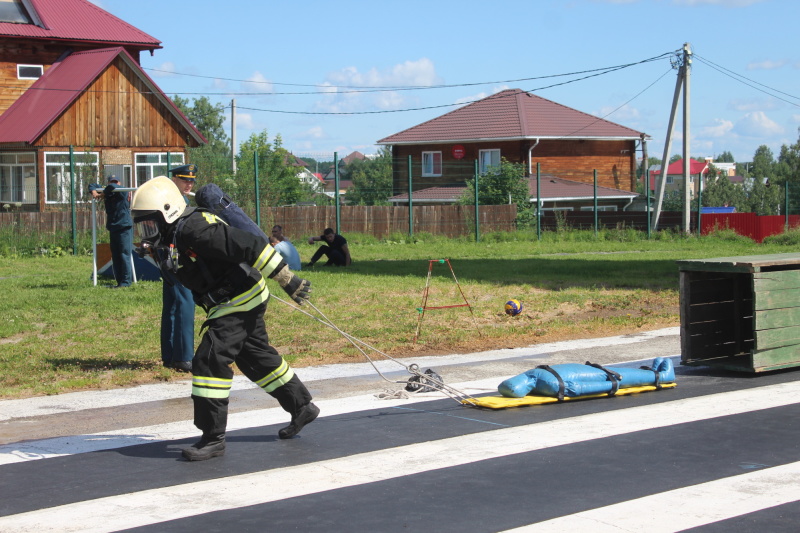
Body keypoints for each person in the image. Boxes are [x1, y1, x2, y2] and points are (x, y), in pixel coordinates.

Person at [131, 176, 318, 461]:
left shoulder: (196, 230)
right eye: (143, 226)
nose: (147, 232)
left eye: (150, 224)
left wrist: (286, 278)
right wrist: (153, 249)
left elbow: (251, 245)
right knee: (254, 356)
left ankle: (212, 437)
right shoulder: (173, 233)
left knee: (209, 360)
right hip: (228, 301)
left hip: (239, 299)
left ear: (168, 212)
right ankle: (301, 406)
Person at [160, 164, 197, 373]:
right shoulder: (174, 201)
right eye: (184, 180)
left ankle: (170, 355)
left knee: (174, 303)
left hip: (169, 255)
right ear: (174, 179)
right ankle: (183, 357)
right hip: (176, 257)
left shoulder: (178, 199)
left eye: (191, 181)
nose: (188, 184)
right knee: (185, 302)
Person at [89, 176, 132, 288]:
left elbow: (113, 186)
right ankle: (119, 282)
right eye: (111, 181)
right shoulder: (109, 190)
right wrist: (94, 191)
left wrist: (102, 194)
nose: (114, 183)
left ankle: (126, 282)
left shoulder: (121, 191)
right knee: (116, 255)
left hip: (124, 227)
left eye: (116, 181)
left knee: (124, 254)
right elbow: (92, 185)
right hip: (113, 227)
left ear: (120, 182)